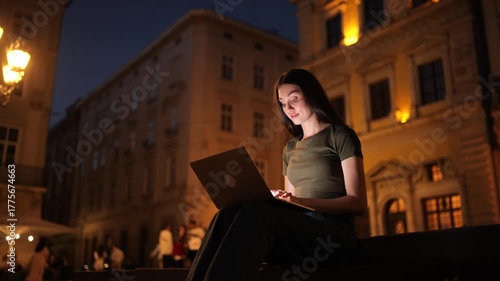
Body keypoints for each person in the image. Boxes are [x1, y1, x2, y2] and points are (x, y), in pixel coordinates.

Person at [186, 68, 367, 281]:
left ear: (311, 94)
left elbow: (358, 203)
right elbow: (292, 208)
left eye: (294, 99)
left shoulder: (341, 135)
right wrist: (280, 199)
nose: (288, 108)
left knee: (256, 214)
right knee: (227, 213)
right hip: (298, 233)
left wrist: (301, 200)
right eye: (282, 103)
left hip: (333, 237)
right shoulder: (290, 148)